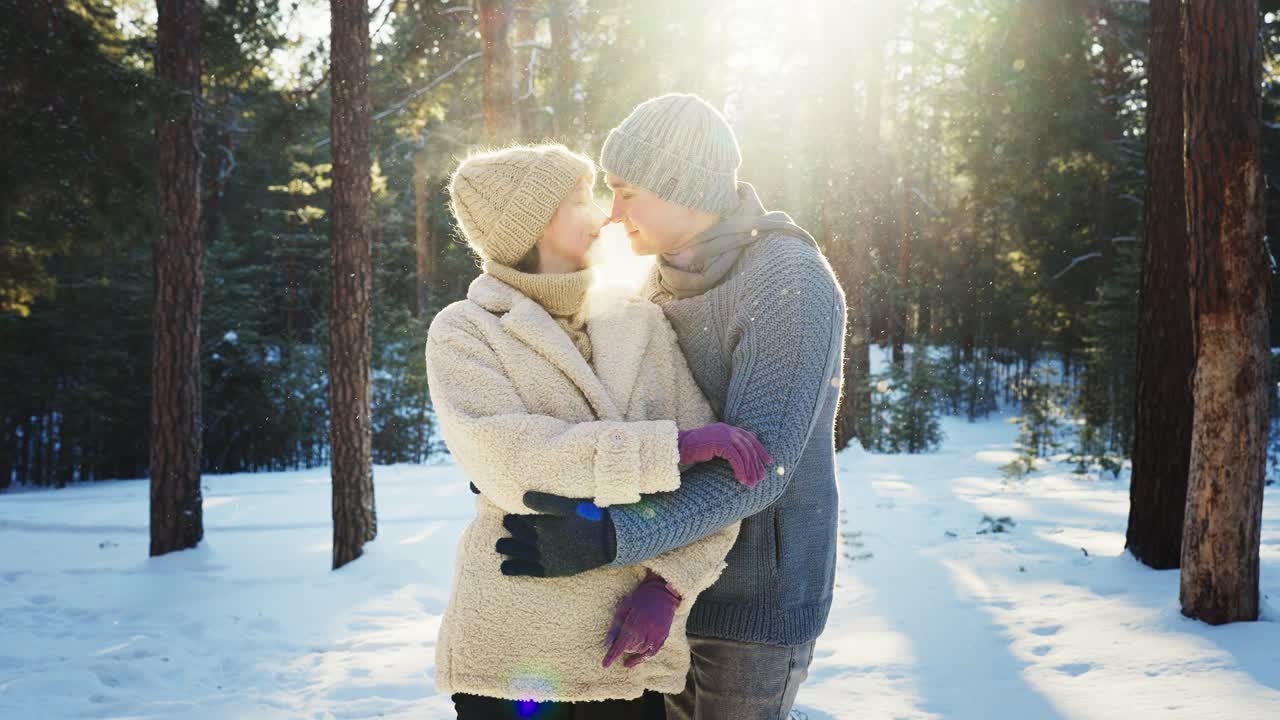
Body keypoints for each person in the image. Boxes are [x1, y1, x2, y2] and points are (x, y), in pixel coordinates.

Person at [495, 95, 847, 720]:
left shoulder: (787, 281)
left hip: (752, 603)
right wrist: (526, 459)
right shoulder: (653, 282)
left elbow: (761, 468)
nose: (612, 212)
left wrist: (616, 539)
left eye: (626, 191)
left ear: (681, 184)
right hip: (650, 598)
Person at [425, 143, 772, 719]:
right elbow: (513, 464)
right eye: (581, 199)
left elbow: (715, 482)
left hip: (627, 655)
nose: (606, 215)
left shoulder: (642, 320)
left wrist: (669, 584)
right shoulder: (466, 332)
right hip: (511, 653)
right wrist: (669, 450)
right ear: (534, 222)